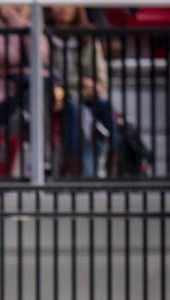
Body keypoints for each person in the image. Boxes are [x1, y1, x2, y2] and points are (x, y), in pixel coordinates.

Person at [46, 6, 118, 177]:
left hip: (87, 96)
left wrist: (95, 85)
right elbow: (51, 77)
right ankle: (74, 167)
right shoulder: (45, 37)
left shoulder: (88, 37)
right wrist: (72, 86)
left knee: (105, 106)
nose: (63, 8)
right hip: (62, 98)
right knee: (72, 107)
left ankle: (114, 163)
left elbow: (101, 81)